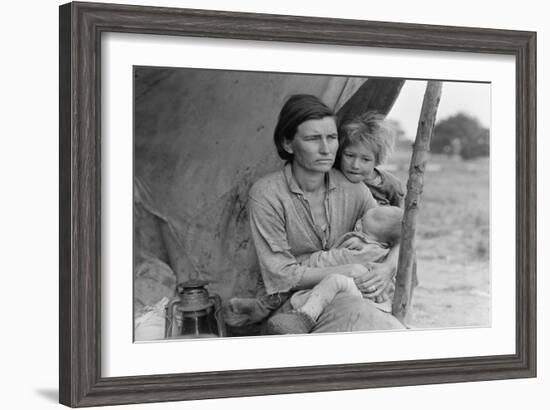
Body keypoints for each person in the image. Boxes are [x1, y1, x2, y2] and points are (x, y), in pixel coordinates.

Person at [231, 94, 404, 334]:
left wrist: (388, 268)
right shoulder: (267, 194)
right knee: (360, 320)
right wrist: (347, 270)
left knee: (368, 318)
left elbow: (397, 234)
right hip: (295, 305)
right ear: (288, 144)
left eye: (331, 138)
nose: (326, 149)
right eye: (313, 139)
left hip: (349, 296)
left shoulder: (354, 188)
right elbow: (282, 275)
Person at [266, 206, 403, 334]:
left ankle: (306, 315)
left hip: (363, 294)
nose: (357, 227)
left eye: (362, 231)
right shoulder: (386, 252)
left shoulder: (361, 251)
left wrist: (308, 262)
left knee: (334, 280)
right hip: (380, 302)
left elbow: (330, 261)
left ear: (383, 243)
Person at [336, 112, 404, 207]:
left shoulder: (391, 185)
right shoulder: (333, 178)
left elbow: (398, 215)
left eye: (365, 159)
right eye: (349, 155)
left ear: (377, 160)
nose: (355, 165)